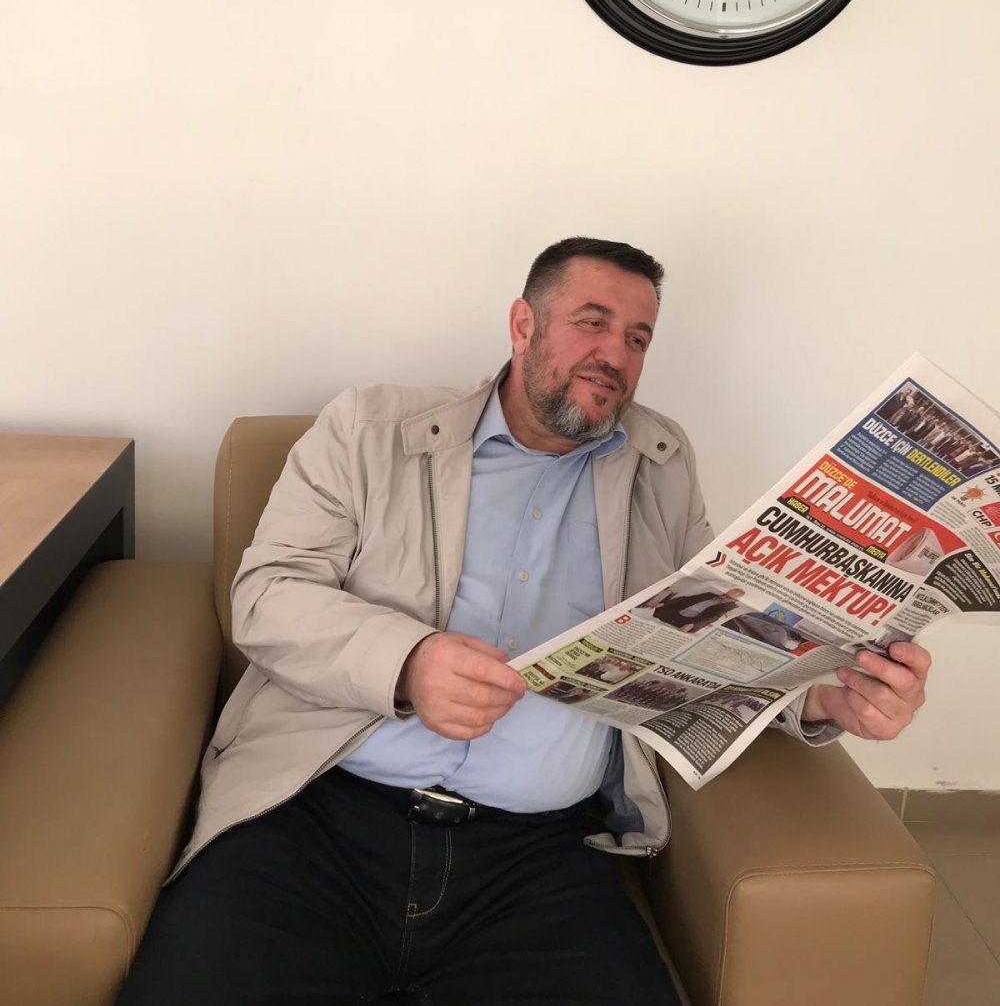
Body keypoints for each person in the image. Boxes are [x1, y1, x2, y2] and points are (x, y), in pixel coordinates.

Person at [117, 237, 931, 1006]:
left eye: (638, 337)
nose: (615, 355)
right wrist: (409, 663)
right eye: (592, 322)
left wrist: (822, 697)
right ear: (522, 325)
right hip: (315, 819)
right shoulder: (370, 430)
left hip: (537, 859)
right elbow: (267, 594)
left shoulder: (660, 463)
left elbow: (712, 641)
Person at [649, 585, 745, 632]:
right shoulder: (710, 595)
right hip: (675, 612)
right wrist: (664, 604)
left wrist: (693, 625)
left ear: (735, 600)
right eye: (725, 594)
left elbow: (711, 618)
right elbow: (685, 599)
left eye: (729, 597)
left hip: (686, 620)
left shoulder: (727, 607)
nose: (724, 597)